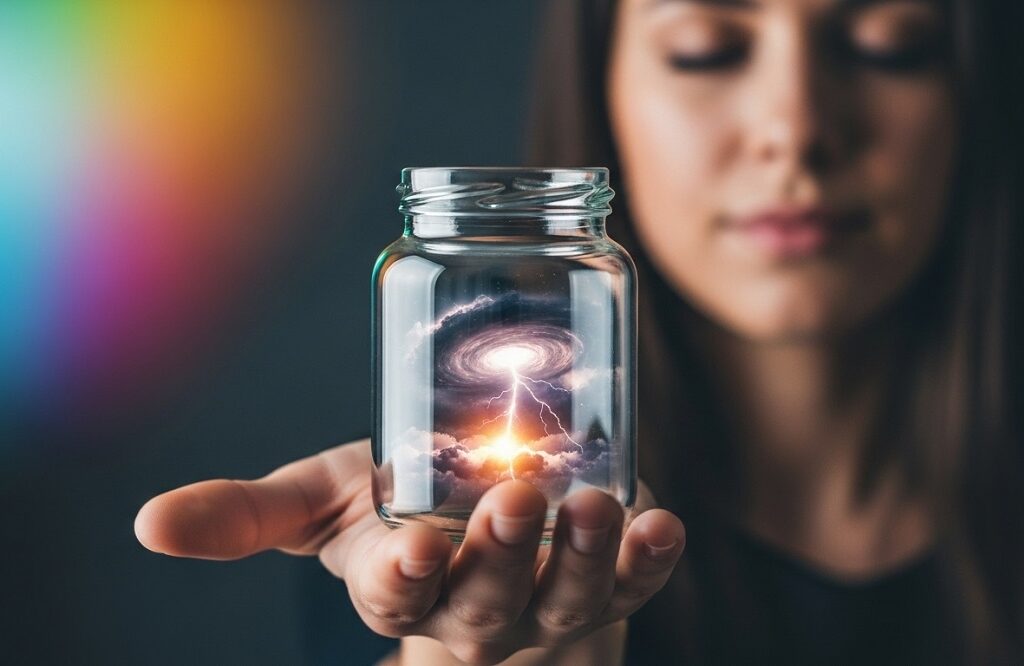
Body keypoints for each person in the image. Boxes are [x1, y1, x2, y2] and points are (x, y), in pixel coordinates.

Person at [134, 0, 1022, 663]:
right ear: (604, 95)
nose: (794, 131)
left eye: (889, 45)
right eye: (703, 51)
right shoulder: (403, 556)